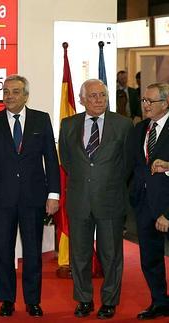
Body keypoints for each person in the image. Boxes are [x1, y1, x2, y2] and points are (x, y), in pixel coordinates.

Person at [0, 74, 60, 317]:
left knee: (33, 252)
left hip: (34, 199)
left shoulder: (41, 120)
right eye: (5, 92)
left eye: (14, 92)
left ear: (25, 95)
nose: (9, 96)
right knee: (3, 251)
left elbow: (51, 161)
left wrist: (53, 194)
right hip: (1, 199)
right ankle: (6, 300)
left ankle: (33, 301)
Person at [59, 79, 133, 320]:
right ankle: (84, 300)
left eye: (102, 95)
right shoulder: (68, 124)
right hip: (79, 200)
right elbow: (68, 161)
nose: (99, 99)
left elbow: (128, 164)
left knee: (110, 255)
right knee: (79, 255)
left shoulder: (122, 125)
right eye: (92, 96)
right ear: (82, 99)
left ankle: (109, 301)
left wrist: (107, 182)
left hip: (110, 200)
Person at [128, 83, 169, 320]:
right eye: (143, 100)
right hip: (144, 206)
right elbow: (133, 166)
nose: (145, 105)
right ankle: (160, 302)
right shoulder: (140, 128)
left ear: (164, 103)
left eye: (150, 101)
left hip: (166, 205)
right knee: (150, 259)